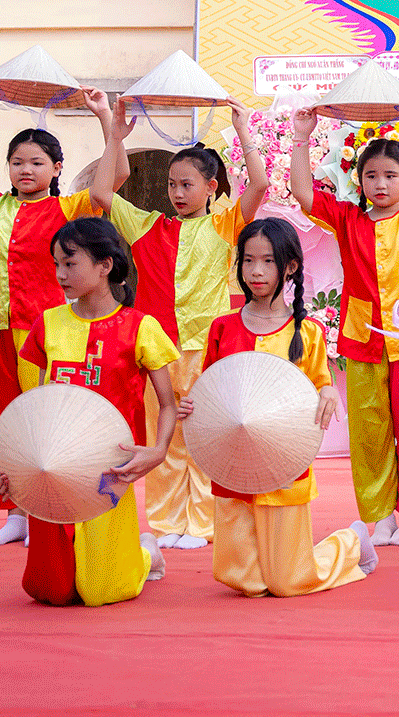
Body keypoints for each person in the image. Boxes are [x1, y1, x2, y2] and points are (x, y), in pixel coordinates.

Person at [0, 81, 108, 547]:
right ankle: (14, 514)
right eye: (17, 162)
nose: (25, 169)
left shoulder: (68, 207)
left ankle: (47, 506)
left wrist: (106, 120)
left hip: (46, 331)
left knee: (41, 420)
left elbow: (114, 180)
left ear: (56, 169)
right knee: (3, 418)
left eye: (36, 162)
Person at [290, 104, 399, 548]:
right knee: (369, 433)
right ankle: (381, 515)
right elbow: (303, 193)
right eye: (372, 176)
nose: (381, 184)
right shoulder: (348, 219)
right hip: (362, 339)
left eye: (391, 175)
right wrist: (301, 137)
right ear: (360, 182)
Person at [97, 96, 272, 552]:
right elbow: (102, 196)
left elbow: (259, 186)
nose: (177, 192)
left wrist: (243, 130)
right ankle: (168, 519)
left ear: (212, 187)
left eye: (187, 184)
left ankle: (202, 521)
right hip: (156, 349)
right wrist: (113, 132)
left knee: (202, 435)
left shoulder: (225, 226)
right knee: (164, 437)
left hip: (204, 347)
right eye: (172, 184)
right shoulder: (148, 225)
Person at [0, 217, 180, 607]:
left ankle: (143, 553)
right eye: (57, 263)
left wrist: (159, 450)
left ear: (105, 265)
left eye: (70, 263)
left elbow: (167, 403)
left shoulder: (140, 327)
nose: (60, 274)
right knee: (51, 591)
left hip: (108, 468)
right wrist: (15, 465)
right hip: (53, 463)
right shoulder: (48, 324)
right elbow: (31, 407)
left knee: (102, 592)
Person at [186, 218, 374, 596]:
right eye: (248, 260)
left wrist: (328, 391)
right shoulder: (222, 327)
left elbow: (320, 381)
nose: (256, 271)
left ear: (289, 266)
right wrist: (193, 407)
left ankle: (350, 543)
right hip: (233, 462)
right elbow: (211, 389)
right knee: (246, 582)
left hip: (282, 463)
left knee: (287, 582)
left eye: (268, 261)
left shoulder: (307, 332)